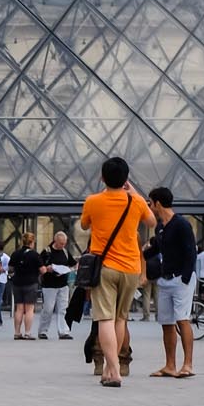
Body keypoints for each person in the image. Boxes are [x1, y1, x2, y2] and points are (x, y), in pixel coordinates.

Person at [78, 156, 152, 389]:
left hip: (105, 267)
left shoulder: (93, 200)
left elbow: (83, 225)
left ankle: (114, 371)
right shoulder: (136, 202)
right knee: (120, 318)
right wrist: (135, 192)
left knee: (105, 319)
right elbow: (151, 222)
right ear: (126, 178)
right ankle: (112, 368)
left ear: (102, 177)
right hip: (131, 267)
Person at [146, 185, 198, 378]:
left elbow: (191, 252)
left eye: (150, 203)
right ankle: (169, 365)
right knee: (166, 323)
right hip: (165, 280)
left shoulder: (182, 224)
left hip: (180, 279)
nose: (150, 207)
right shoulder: (160, 227)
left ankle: (188, 364)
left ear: (158, 203)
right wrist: (137, 253)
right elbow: (155, 250)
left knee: (182, 320)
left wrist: (185, 278)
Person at [37, 232, 73, 340]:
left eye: (64, 243)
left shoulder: (65, 252)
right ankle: (42, 331)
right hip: (49, 284)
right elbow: (40, 265)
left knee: (63, 308)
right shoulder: (46, 252)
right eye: (61, 243)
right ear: (55, 240)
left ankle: (63, 331)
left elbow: (73, 263)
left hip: (63, 284)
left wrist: (70, 269)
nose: (62, 246)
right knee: (48, 308)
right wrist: (47, 268)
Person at [11, 233, 42, 339]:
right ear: (32, 242)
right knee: (29, 309)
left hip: (17, 282)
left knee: (19, 308)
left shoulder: (16, 253)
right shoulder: (35, 255)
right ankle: (27, 332)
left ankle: (17, 332)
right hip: (31, 283)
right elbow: (42, 269)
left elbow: (10, 268)